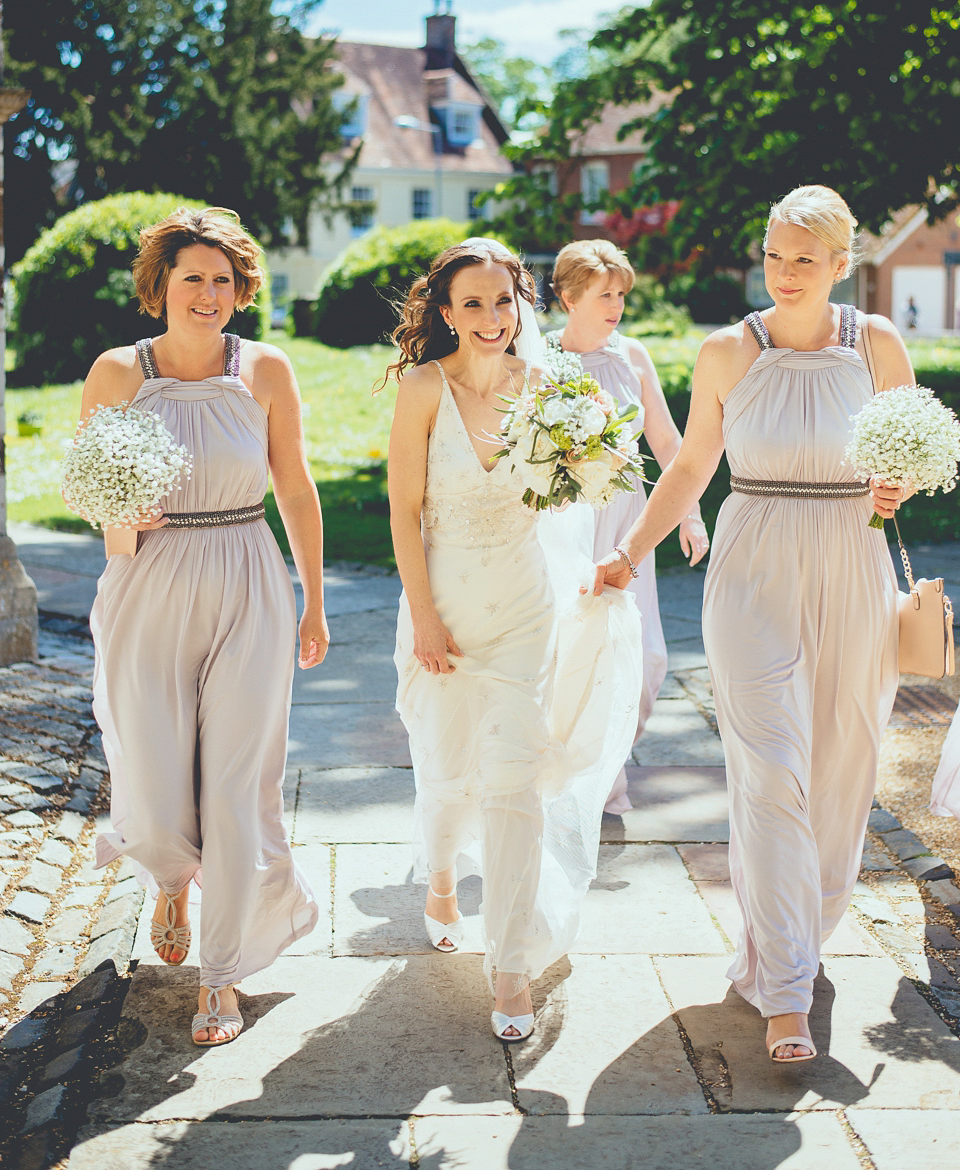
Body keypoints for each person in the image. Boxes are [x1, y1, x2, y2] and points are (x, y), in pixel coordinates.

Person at [592, 186, 912, 1062]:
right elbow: (694, 461)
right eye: (774, 254)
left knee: (843, 766)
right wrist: (628, 553)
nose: (784, 273)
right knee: (769, 772)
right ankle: (784, 987)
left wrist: (900, 484)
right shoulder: (729, 349)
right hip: (755, 560)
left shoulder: (877, 344)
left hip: (853, 560)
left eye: (804, 259)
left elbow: (908, 450)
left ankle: (798, 938)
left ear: (843, 264)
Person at [79, 207, 328, 1045]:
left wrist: (314, 599)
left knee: (234, 783)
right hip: (148, 581)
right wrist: (124, 518)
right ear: (160, 287)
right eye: (193, 278)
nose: (209, 294)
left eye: (223, 280)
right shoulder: (117, 373)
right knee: (150, 794)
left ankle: (220, 979)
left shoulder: (265, 369)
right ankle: (170, 875)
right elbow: (96, 500)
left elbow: (293, 487)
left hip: (246, 575)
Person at [387, 238, 643, 1043]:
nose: (492, 319)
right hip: (447, 606)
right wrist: (424, 615)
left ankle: (510, 964)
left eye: (503, 301)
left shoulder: (550, 387)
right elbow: (402, 512)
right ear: (446, 312)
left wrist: (592, 477)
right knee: (445, 760)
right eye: (473, 304)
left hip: (527, 606)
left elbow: (588, 483)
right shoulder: (425, 389)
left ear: (521, 302)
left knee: (513, 777)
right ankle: (437, 880)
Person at [548, 239, 709, 812]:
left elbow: (667, 441)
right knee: (573, 656)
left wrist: (688, 514)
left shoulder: (633, 355)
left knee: (645, 660)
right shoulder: (538, 361)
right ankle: (576, 785)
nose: (616, 305)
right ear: (567, 297)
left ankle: (606, 763)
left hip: (631, 523)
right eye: (603, 294)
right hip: (565, 522)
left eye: (621, 294)